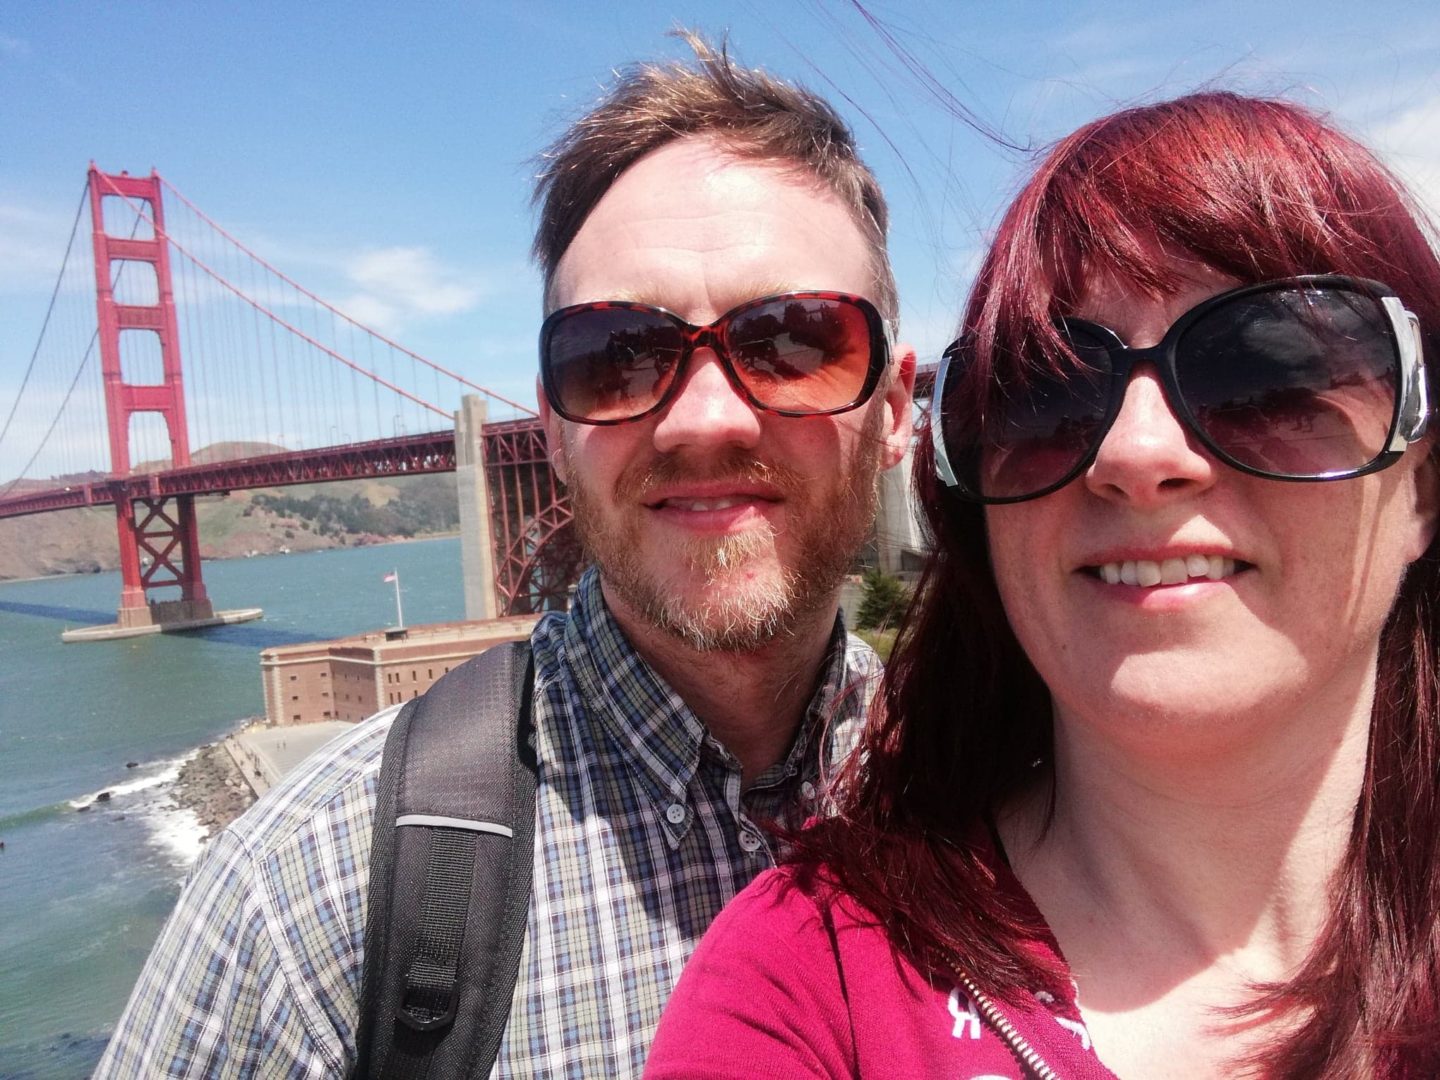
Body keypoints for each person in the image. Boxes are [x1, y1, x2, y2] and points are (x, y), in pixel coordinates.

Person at [96, 35, 914, 1079]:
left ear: (894, 411)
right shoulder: (305, 902)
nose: (704, 419)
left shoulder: (1023, 805)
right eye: (616, 357)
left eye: (795, 338)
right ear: (555, 428)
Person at [646, 91, 1440, 1079]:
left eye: (1264, 374)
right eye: (1046, 387)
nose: (1137, 451)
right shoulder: (811, 982)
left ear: (1423, 487)